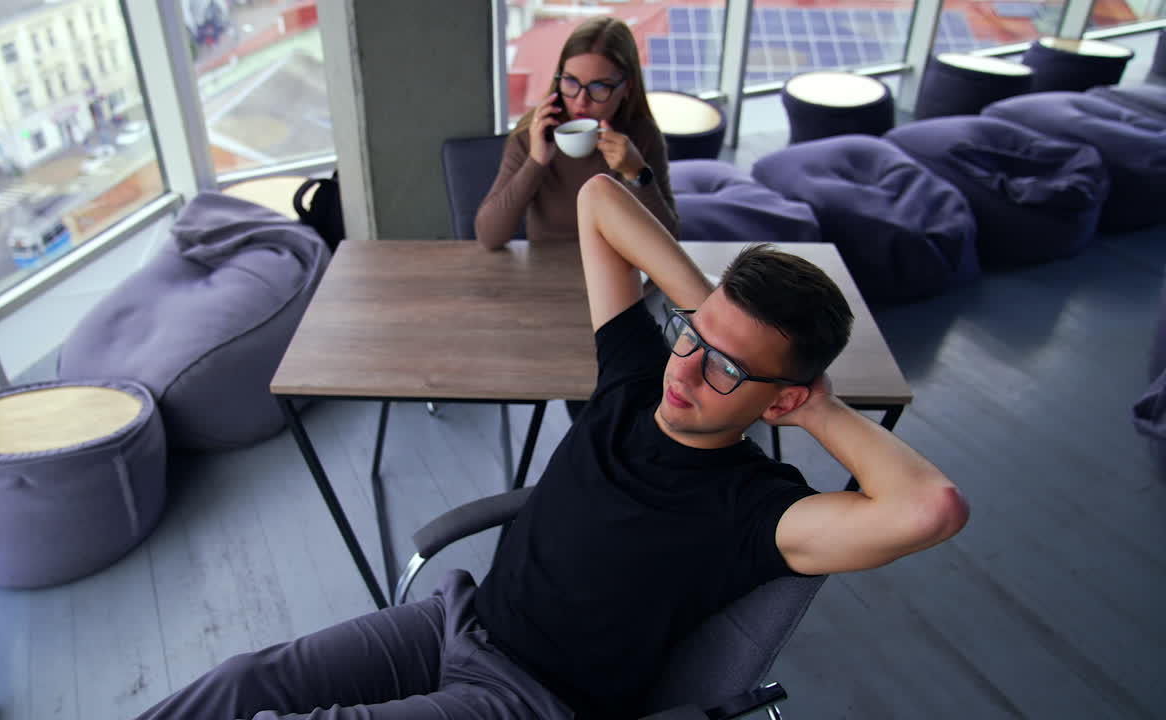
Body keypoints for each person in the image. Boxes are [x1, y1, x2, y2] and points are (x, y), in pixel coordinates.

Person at [132, 175, 969, 720]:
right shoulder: (638, 377)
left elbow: (931, 507)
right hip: (458, 620)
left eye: (725, 367)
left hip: (526, 700)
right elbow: (599, 199)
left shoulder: (758, 509)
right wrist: (706, 308)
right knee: (245, 682)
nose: (688, 370)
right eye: (689, 337)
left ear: (778, 396)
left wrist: (816, 408)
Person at [474, 16, 679, 249]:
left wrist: (637, 173)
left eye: (599, 87)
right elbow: (489, 237)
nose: (581, 101)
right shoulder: (536, 132)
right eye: (571, 82)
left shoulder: (642, 135)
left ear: (627, 88)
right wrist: (536, 161)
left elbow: (669, 242)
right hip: (548, 271)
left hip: (621, 273)